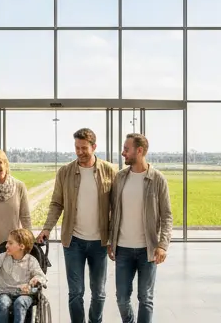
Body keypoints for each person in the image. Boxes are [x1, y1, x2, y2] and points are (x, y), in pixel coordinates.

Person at [37, 128, 117, 323]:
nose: (79, 152)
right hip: (73, 242)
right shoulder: (65, 172)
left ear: (94, 147)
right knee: (76, 292)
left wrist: (115, 239)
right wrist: (47, 228)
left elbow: (117, 207)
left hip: (100, 241)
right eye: (76, 148)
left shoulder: (110, 171)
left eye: (84, 148)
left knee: (99, 292)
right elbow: (57, 203)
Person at [108, 133, 173, 323]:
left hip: (149, 250)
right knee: (121, 298)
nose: (123, 153)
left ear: (140, 151)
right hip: (123, 249)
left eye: (126, 149)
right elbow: (113, 212)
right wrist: (111, 241)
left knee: (145, 298)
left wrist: (163, 245)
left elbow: (167, 216)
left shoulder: (158, 179)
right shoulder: (120, 178)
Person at [0, 228, 47, 323]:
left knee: (20, 303)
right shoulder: (2, 257)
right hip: (5, 292)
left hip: (24, 294)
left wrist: (34, 281)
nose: (6, 245)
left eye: (10, 243)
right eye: (7, 242)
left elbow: (41, 276)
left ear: (21, 246)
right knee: (3, 303)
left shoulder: (31, 261)